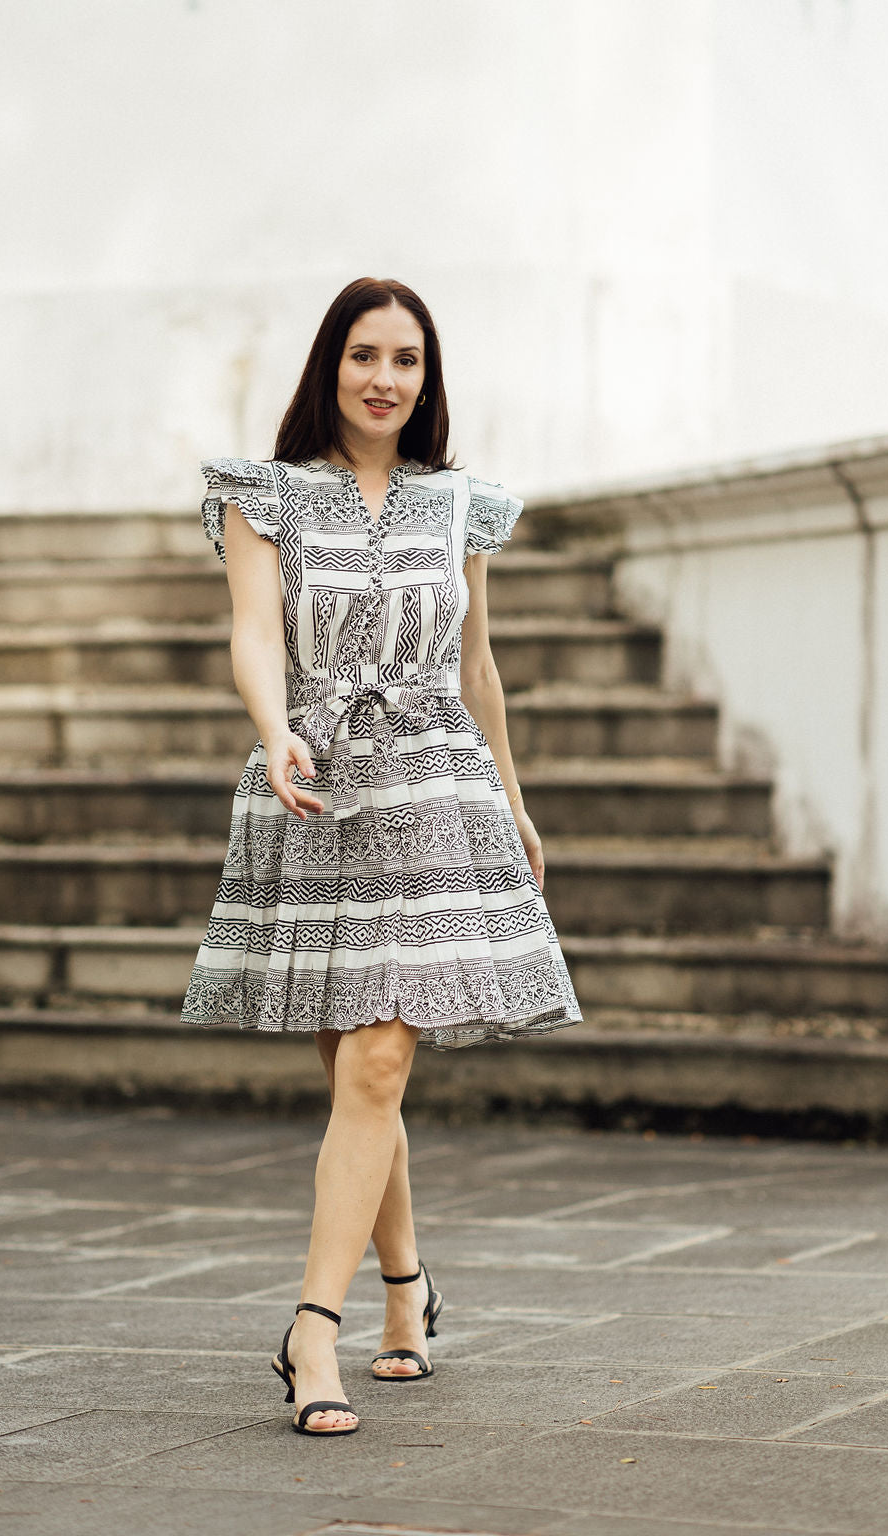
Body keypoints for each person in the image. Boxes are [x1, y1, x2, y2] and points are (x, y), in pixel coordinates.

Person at [182, 277, 582, 1436]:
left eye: (406, 359)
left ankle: (313, 1331)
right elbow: (252, 633)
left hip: (435, 789)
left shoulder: (462, 505)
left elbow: (477, 667)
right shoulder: (263, 496)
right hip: (316, 785)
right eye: (365, 354)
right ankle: (406, 1289)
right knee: (357, 1061)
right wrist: (275, 732)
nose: (384, 379)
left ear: (426, 377)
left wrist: (513, 799)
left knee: (379, 1057)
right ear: (331, 364)